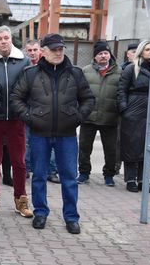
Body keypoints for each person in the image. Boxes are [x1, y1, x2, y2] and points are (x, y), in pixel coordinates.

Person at [11, 33, 94, 234]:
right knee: (38, 175)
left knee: (69, 177)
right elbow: (16, 98)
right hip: (39, 133)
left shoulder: (75, 73)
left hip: (67, 134)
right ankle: (40, 213)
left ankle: (71, 217)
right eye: (54, 49)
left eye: (60, 49)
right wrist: (30, 117)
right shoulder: (30, 73)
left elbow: (88, 99)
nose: (58, 52)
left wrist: (77, 117)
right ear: (44, 51)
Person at [0, 26, 32, 217]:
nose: (3, 41)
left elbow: (29, 90)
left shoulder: (24, 61)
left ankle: (22, 200)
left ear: (11, 39)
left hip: (17, 120)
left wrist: (25, 112)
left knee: (19, 163)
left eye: (6, 38)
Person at [77, 40, 121, 187]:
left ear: (110, 55)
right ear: (95, 57)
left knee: (111, 150)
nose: (103, 56)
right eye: (100, 53)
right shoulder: (86, 71)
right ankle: (84, 173)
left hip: (110, 117)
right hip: (88, 117)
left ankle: (109, 175)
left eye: (106, 53)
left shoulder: (119, 72)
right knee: (84, 148)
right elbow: (79, 92)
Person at [117, 40, 150, 193]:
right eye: (147, 49)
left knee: (146, 145)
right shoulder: (131, 68)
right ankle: (130, 179)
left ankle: (142, 180)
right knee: (131, 145)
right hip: (133, 109)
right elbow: (122, 89)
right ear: (141, 51)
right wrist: (124, 108)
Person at [23, 39, 59, 183]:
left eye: (35, 50)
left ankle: (51, 171)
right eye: (29, 50)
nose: (32, 53)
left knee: (50, 143)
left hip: (47, 112)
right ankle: (25, 169)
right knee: (26, 142)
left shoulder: (50, 66)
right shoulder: (23, 66)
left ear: (41, 51)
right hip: (28, 111)